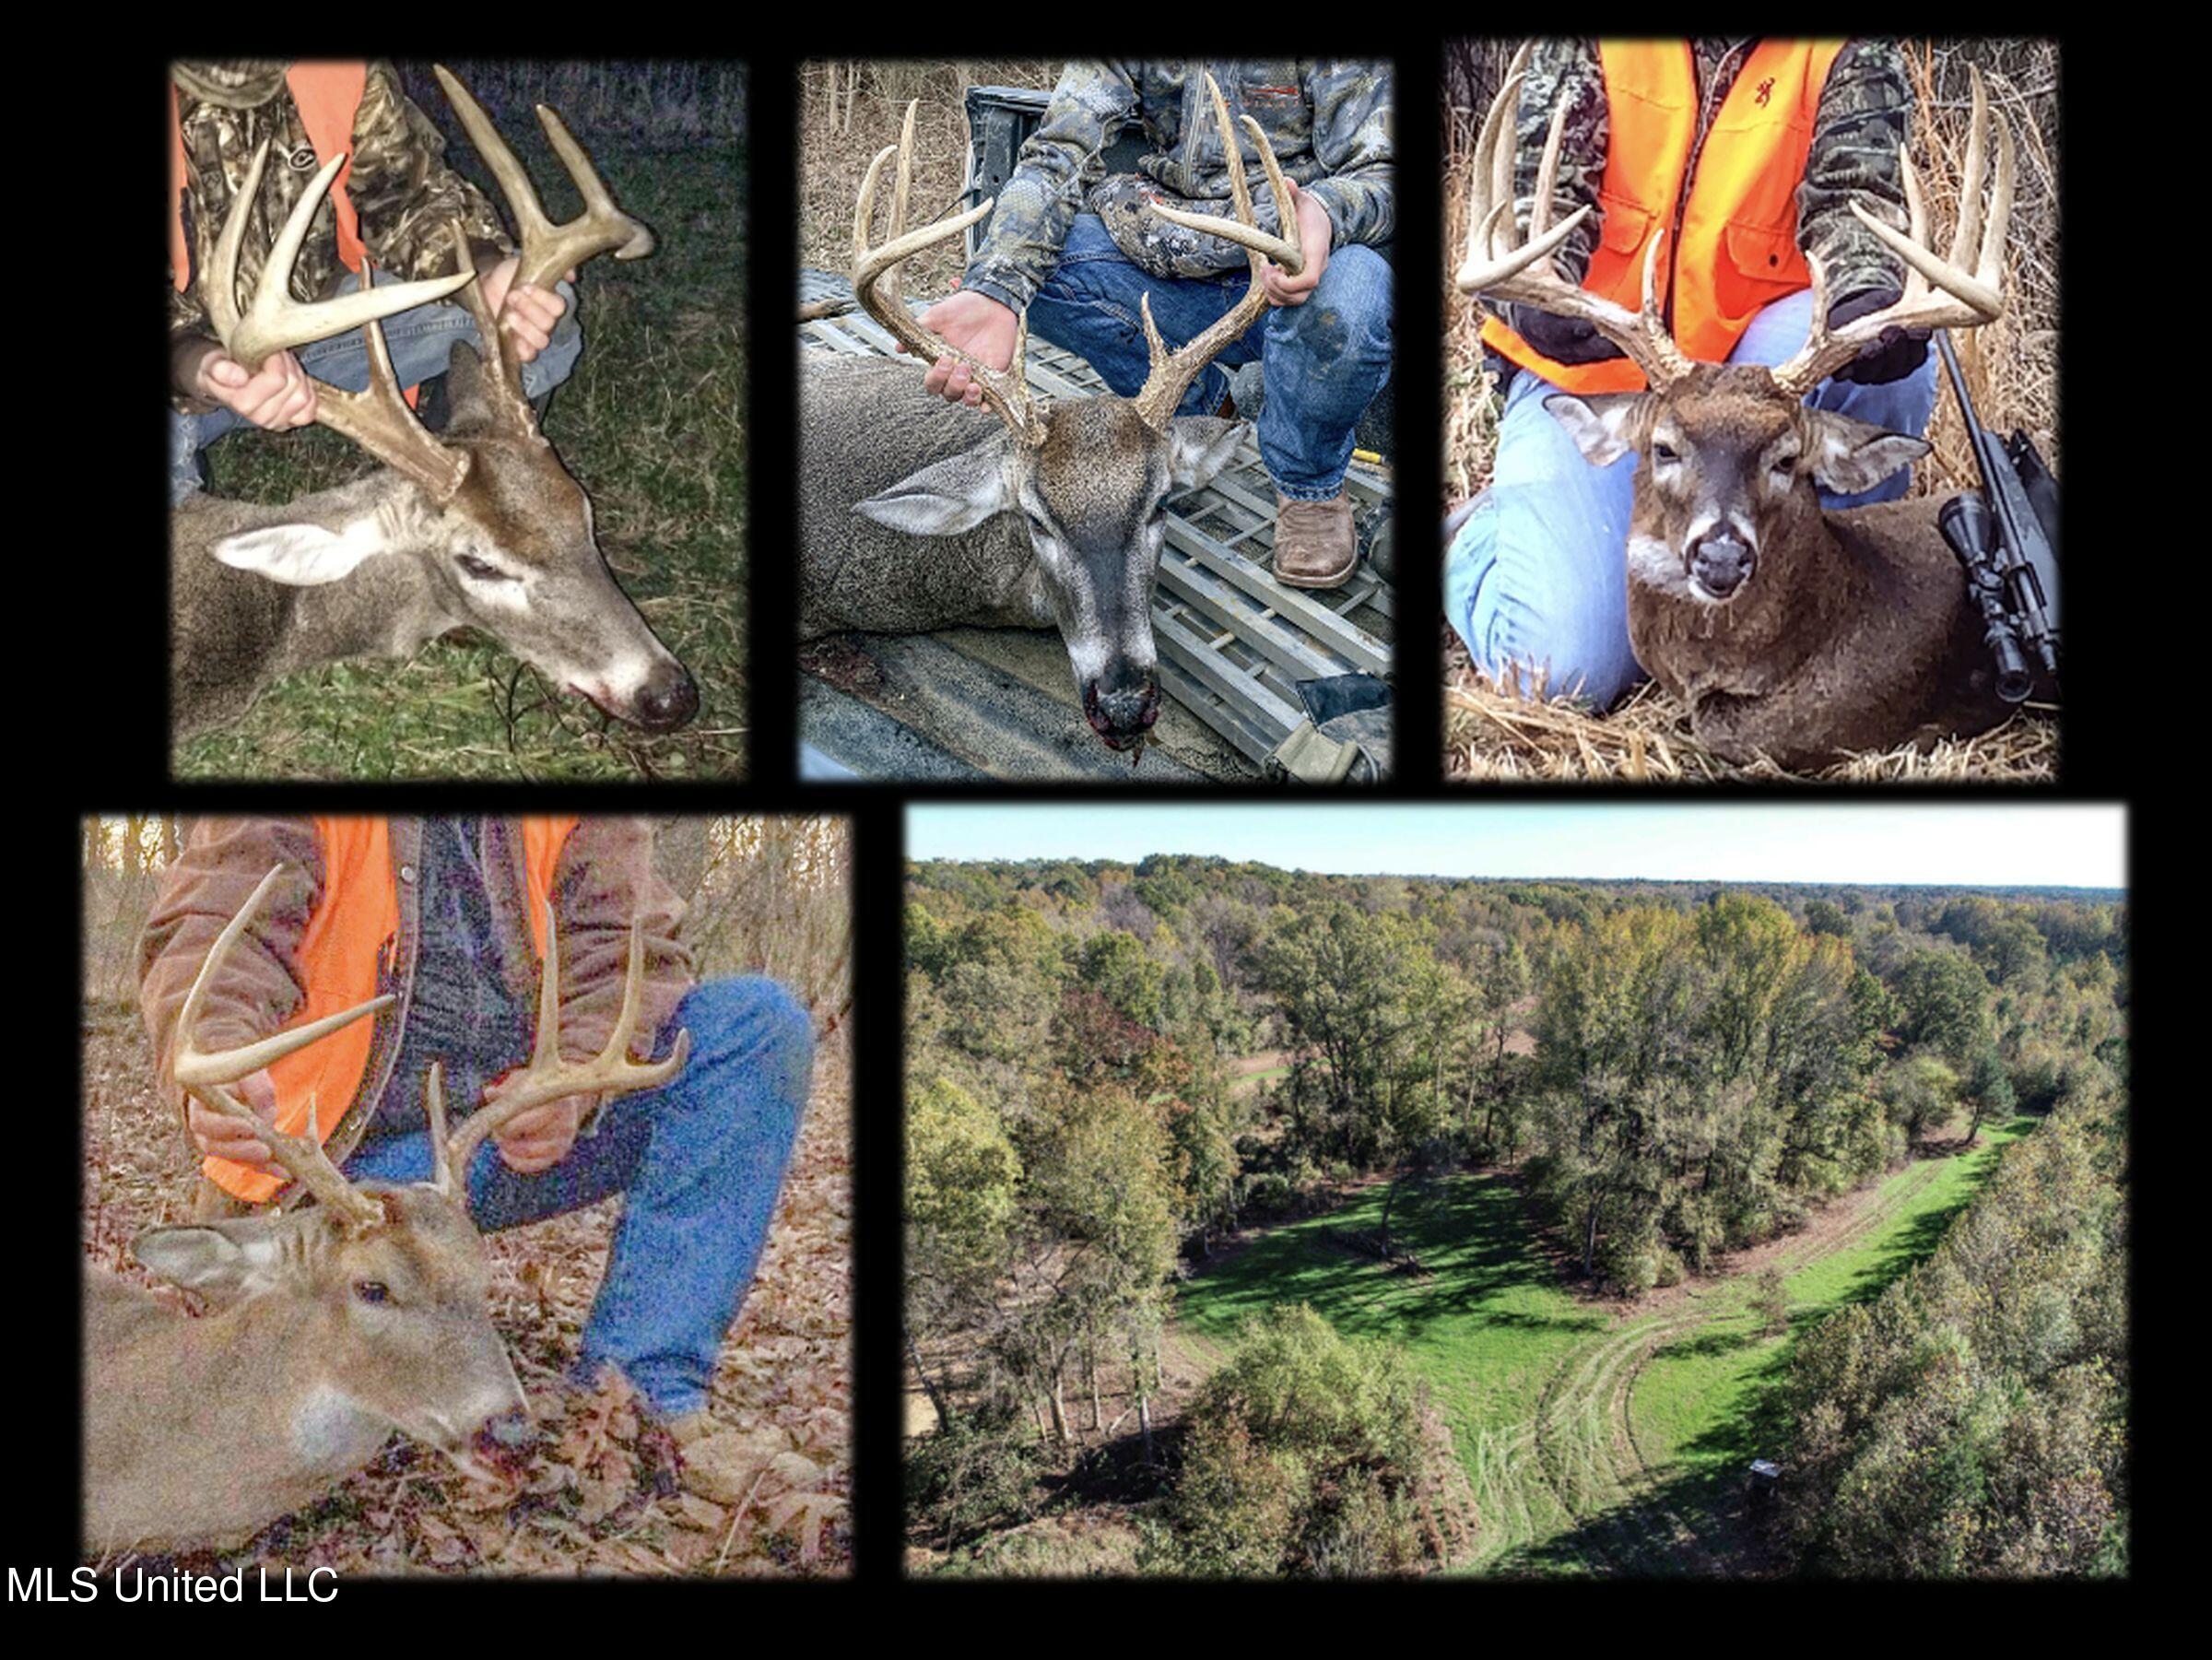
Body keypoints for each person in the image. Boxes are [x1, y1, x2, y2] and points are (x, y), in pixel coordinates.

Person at [137, 816, 815, 1504]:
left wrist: (577, 1081)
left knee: (754, 1027)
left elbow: (620, 949)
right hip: (339, 1166)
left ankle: (639, 1398)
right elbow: (215, 923)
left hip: (496, 1138)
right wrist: (215, 1059)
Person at [1444, 40, 1941, 707]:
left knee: (1889, 365)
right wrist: (1536, 297)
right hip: (1599, 369)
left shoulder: (1843, 50)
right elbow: (1538, 193)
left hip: (1756, 371)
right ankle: (1474, 541)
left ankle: (1819, 607)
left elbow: (1857, 199)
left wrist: (1867, 297)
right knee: (1562, 674)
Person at [915, 61, 1394, 590]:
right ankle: (1203, 412)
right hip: (1174, 251)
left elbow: (1384, 168)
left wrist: (1324, 212)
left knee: (1353, 298)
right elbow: (1058, 154)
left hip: (1301, 266)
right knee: (1034, 271)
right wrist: (997, 288)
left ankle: (1308, 484)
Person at [169, 61, 578, 506]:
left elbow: (405, 194)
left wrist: (481, 272)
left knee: (536, 306)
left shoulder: (340, 72)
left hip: (317, 332)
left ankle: (462, 499)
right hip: (187, 368)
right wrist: (197, 364)